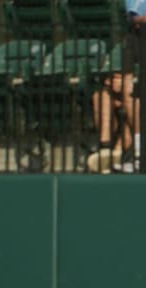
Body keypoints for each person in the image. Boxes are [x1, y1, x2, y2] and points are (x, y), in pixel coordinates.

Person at [88, 0, 144, 173]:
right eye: (132, 16)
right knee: (103, 95)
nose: (135, 20)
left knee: (129, 93)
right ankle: (108, 148)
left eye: (138, 15)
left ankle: (132, 149)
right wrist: (116, 81)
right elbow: (126, 70)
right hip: (136, 92)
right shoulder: (132, 36)